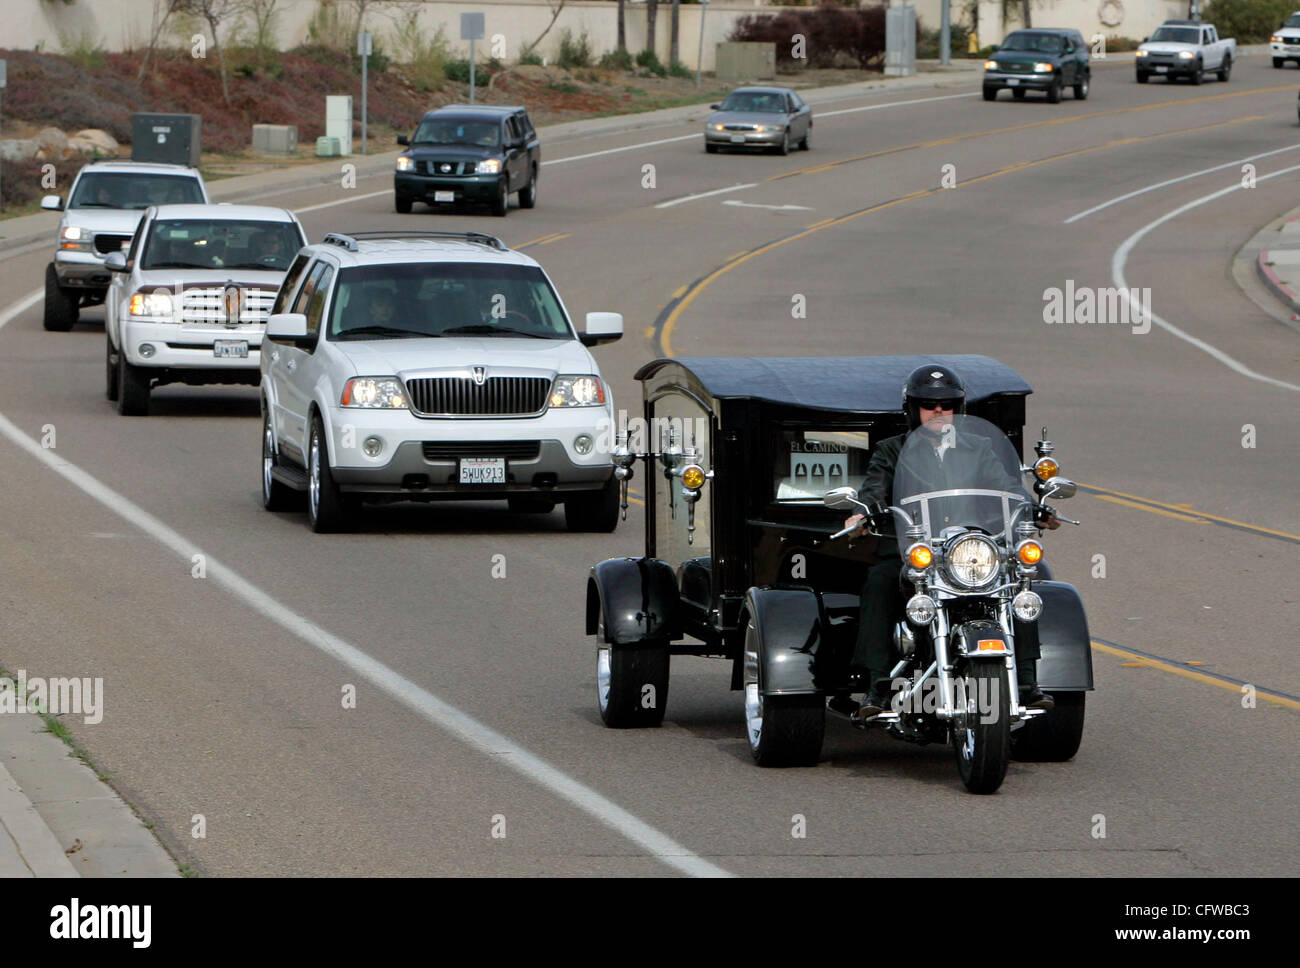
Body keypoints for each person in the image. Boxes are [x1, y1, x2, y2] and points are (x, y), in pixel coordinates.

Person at [833, 364, 1057, 721]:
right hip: (916, 552)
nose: (938, 411)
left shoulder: (979, 447)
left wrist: (1032, 508)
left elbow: (1008, 486)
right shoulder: (892, 451)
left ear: (959, 409)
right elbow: (874, 488)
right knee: (879, 581)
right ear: (913, 409)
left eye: (947, 405)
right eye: (928, 404)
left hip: (969, 551)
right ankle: (877, 685)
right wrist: (865, 513)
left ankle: (1026, 681)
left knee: (1019, 579)